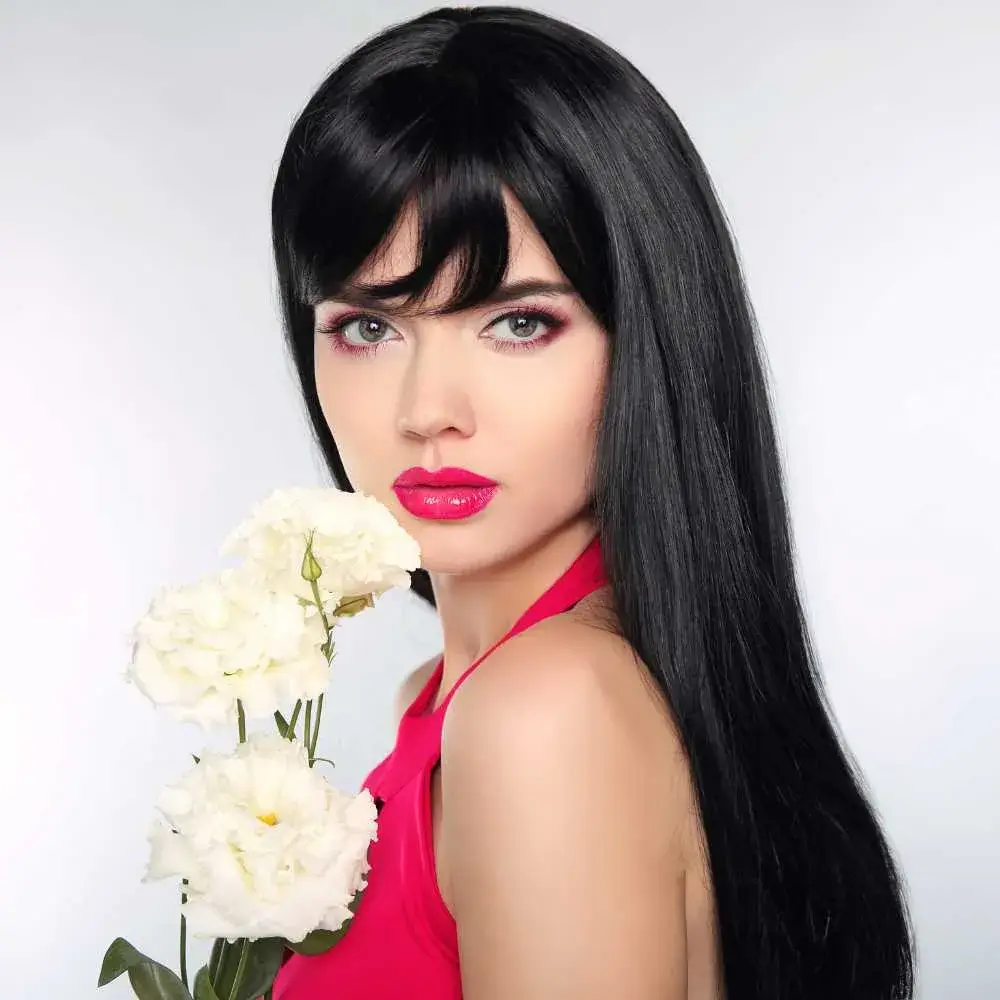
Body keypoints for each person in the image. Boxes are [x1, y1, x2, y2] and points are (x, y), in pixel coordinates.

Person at [268, 6, 916, 998]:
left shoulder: (544, 712)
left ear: (643, 336)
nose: (427, 411)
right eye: (367, 326)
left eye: (519, 322)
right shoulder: (450, 701)